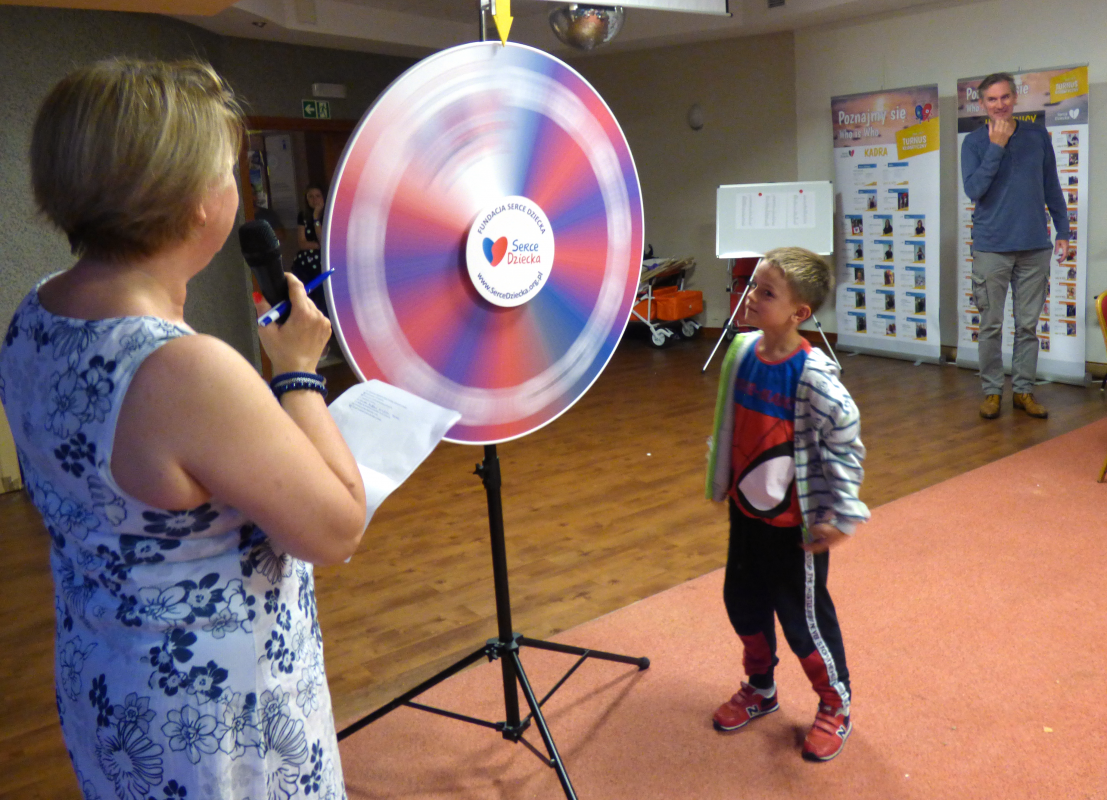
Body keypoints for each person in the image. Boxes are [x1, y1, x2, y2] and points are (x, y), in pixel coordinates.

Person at [0, 58, 367, 799]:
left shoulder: (37, 314)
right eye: (229, 170)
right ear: (198, 201)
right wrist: (298, 370)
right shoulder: (183, 369)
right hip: (215, 719)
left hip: (109, 685)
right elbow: (335, 530)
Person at [704, 247, 869, 763]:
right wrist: (720, 477)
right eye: (754, 285)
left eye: (766, 292)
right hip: (746, 510)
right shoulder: (741, 352)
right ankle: (760, 688)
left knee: (803, 623)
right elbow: (727, 423)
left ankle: (834, 703)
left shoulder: (816, 378)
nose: (751, 297)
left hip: (795, 526)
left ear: (800, 313)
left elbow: (846, 442)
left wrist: (840, 514)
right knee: (742, 602)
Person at [961, 72, 1070, 420]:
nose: (999, 105)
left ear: (1015, 99)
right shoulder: (975, 143)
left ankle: (1023, 390)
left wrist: (1063, 231)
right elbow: (974, 190)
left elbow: (1052, 186)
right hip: (992, 247)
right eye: (991, 100)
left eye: (1005, 97)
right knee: (991, 325)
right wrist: (997, 147)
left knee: (1027, 326)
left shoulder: (1038, 136)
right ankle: (992, 392)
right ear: (982, 104)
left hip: (1035, 246)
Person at [293, 184, 328, 316]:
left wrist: (316, 219)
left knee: (322, 298)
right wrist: (318, 245)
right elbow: (302, 243)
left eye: (317, 196)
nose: (314, 200)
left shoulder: (330, 214)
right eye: (310, 197)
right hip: (305, 263)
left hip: (322, 262)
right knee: (305, 297)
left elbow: (323, 239)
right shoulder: (303, 215)